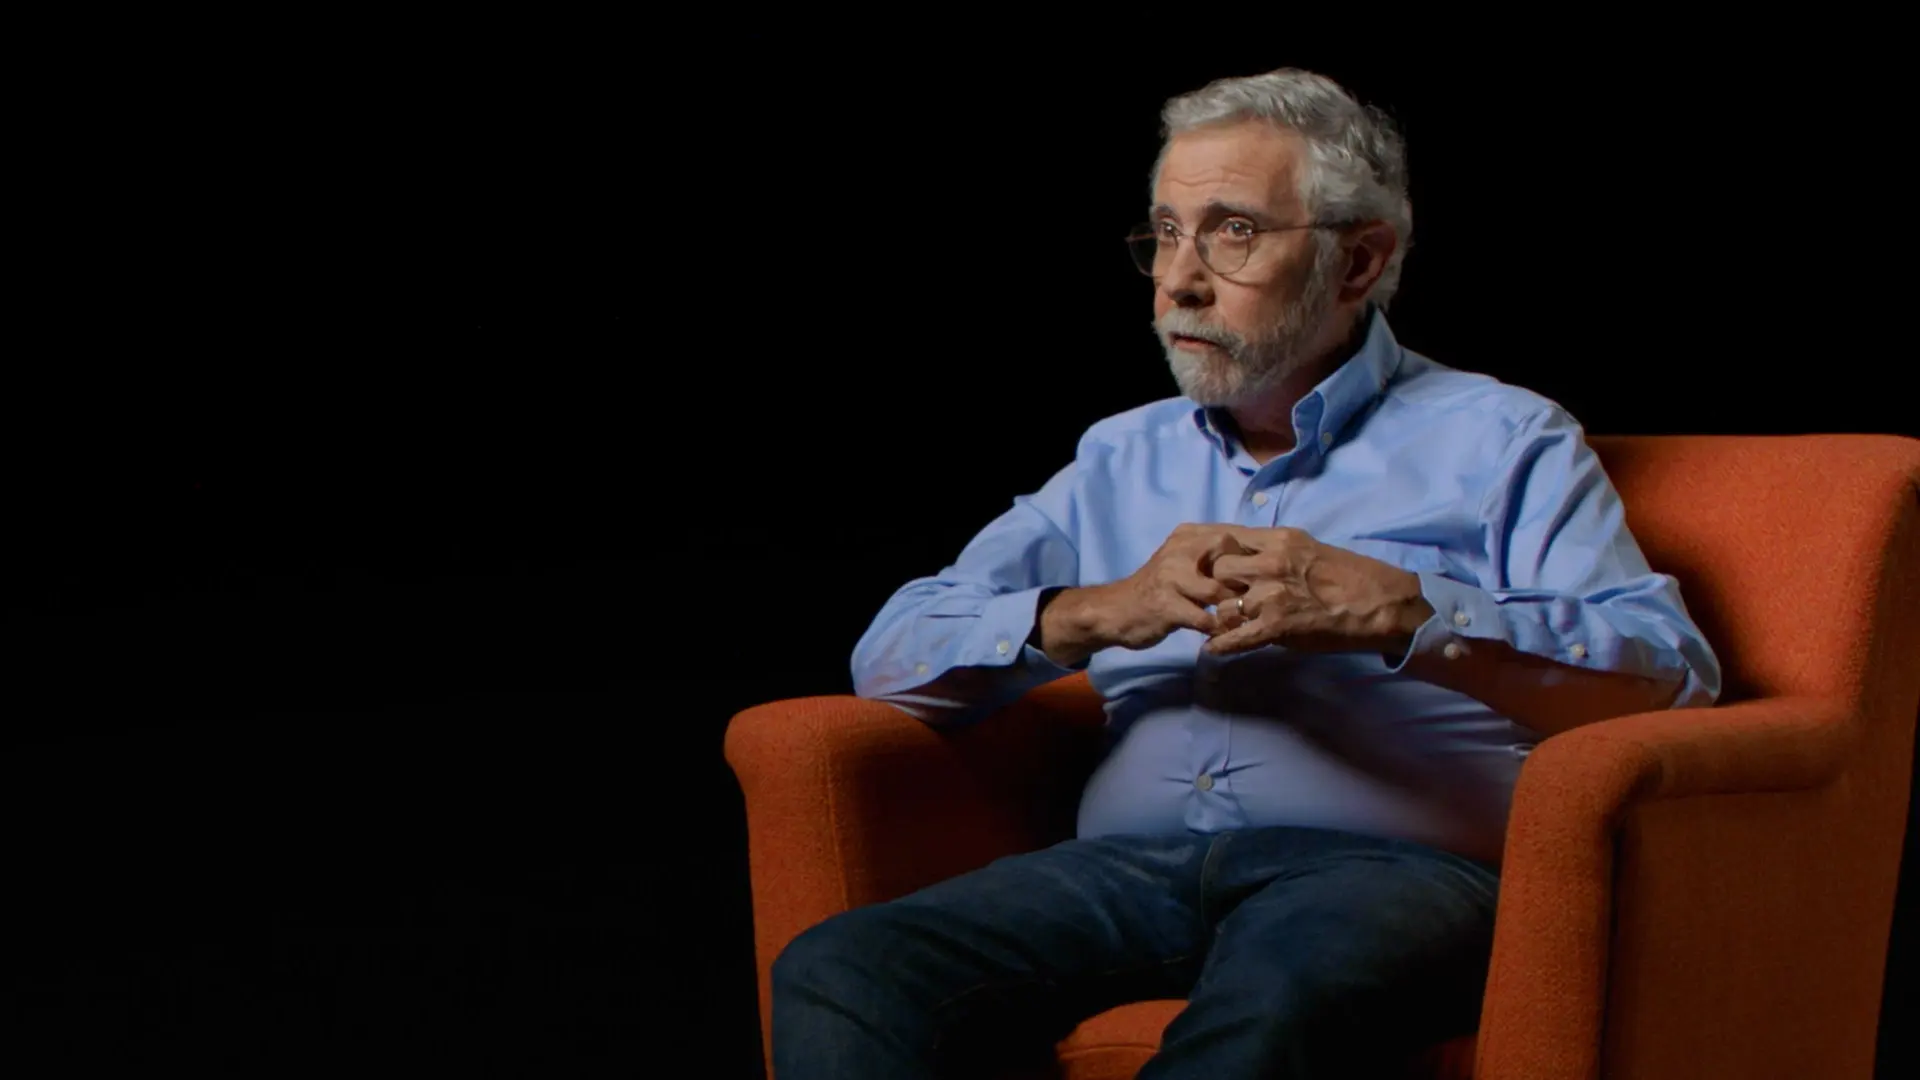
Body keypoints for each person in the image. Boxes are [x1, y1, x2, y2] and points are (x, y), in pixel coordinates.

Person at [770, 68, 1721, 1079]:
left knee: (1270, 1003)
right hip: (1128, 872)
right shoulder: (1120, 456)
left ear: (1359, 261)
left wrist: (1407, 615)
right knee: (842, 967)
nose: (1178, 280)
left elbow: (1670, 672)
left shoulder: (1503, 439)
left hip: (1392, 874)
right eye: (1164, 233)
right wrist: (1100, 611)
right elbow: (892, 655)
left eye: (1232, 232)